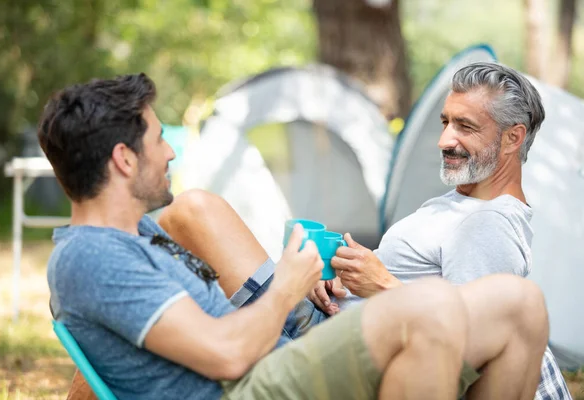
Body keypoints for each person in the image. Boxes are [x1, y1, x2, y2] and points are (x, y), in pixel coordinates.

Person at [40, 73, 550, 400]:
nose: (171, 153)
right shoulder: (93, 256)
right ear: (124, 160)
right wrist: (289, 280)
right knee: (435, 306)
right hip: (250, 379)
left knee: (522, 300)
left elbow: (113, 346)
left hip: (273, 352)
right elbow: (227, 356)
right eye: (159, 141)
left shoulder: (126, 237)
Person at [304, 62, 571, 399]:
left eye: (465, 126)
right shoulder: (464, 200)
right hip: (332, 332)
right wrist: (345, 280)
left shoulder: (488, 223)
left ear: (512, 138)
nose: (444, 140)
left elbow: (463, 357)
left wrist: (381, 286)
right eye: (445, 122)